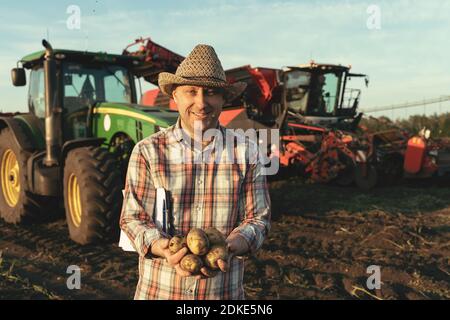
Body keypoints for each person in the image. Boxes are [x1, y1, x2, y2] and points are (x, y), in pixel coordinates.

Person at [119, 44, 271, 300]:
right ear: (175, 96)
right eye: (191, 91)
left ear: (223, 99)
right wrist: (164, 248)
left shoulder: (247, 152)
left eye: (211, 93)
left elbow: (258, 219)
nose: (201, 103)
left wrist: (230, 246)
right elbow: (132, 218)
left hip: (222, 294)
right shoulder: (147, 151)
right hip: (161, 292)